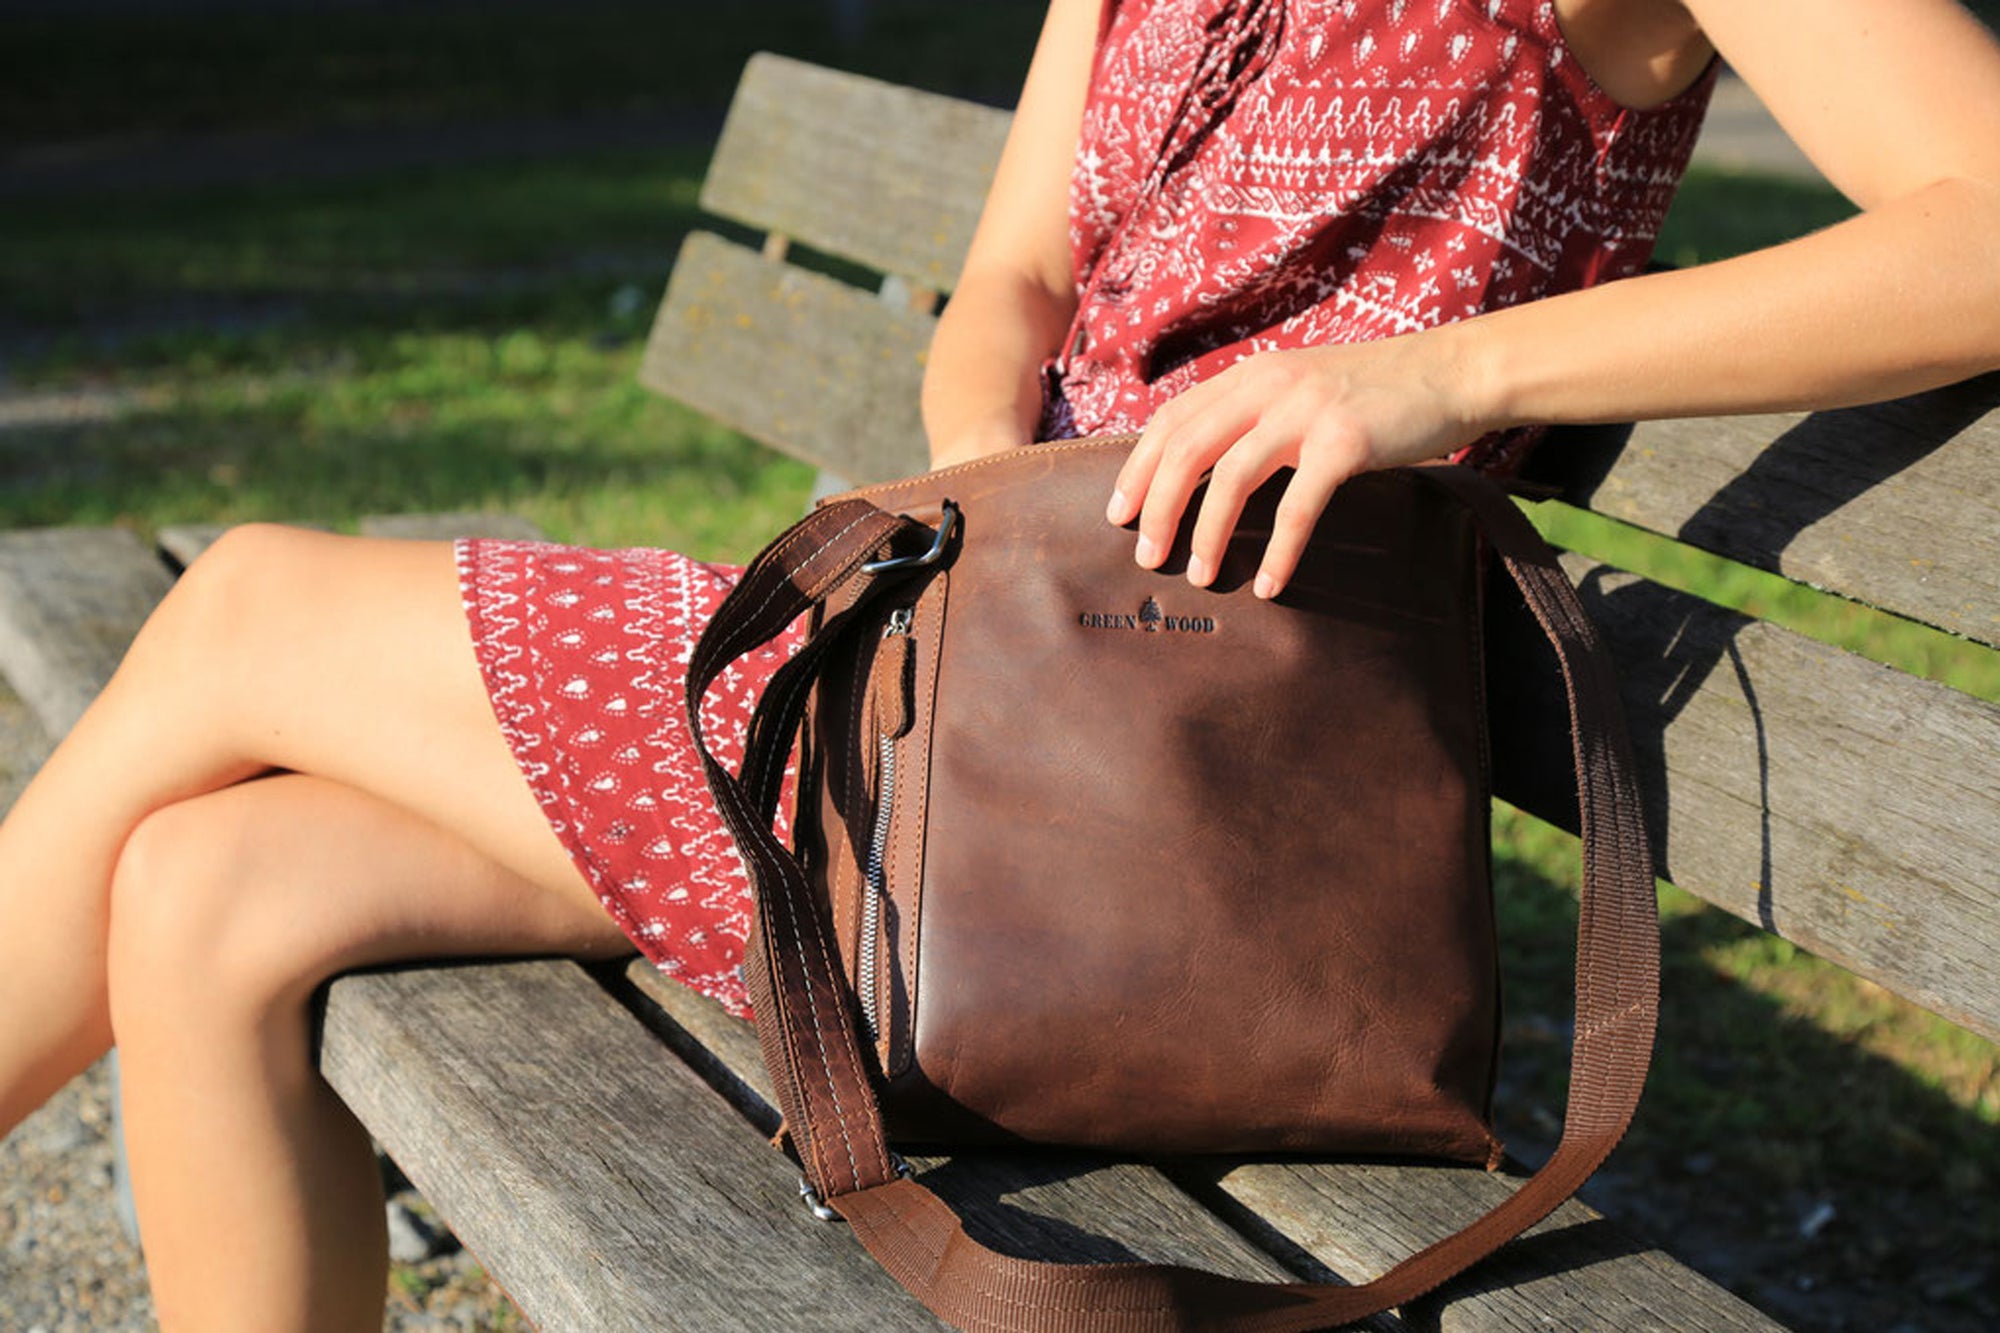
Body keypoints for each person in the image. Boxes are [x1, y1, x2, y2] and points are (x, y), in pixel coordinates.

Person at [2, 1, 1997, 1329]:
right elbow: (1016, 282)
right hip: (970, 700)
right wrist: (984, 490)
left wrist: (1443, 376)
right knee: (208, 884)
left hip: (1166, 819)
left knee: (246, 606)